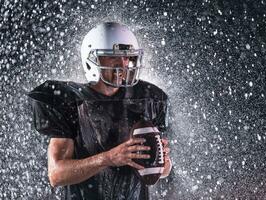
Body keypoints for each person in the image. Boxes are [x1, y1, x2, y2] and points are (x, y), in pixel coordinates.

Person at [27, 22, 172, 200]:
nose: (123, 65)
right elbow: (56, 174)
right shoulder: (72, 102)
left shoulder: (148, 99)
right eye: (113, 58)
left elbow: (163, 171)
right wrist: (108, 158)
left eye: (127, 58)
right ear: (92, 60)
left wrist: (161, 162)